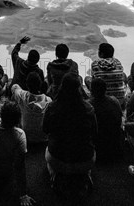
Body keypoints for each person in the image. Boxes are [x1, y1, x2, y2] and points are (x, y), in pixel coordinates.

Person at [42, 73, 97, 201]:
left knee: (47, 152)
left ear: (62, 87)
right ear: (79, 88)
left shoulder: (52, 107)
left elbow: (45, 130)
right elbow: (95, 133)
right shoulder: (89, 108)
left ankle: (55, 175)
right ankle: (85, 174)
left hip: (58, 159)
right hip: (85, 160)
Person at [88, 77, 123, 163]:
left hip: (98, 149)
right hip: (115, 147)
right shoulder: (114, 100)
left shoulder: (88, 106)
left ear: (91, 90)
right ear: (105, 89)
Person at [11, 72, 51, 144]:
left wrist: (20, 89)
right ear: (40, 85)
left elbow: (14, 87)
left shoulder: (21, 96)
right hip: (43, 138)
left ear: (27, 85)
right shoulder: (49, 101)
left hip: (26, 136)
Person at [85, 43, 127, 107]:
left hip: (102, 100)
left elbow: (94, 81)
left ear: (101, 54)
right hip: (119, 100)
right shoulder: (117, 62)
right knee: (123, 74)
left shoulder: (95, 64)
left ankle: (93, 97)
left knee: (87, 78)